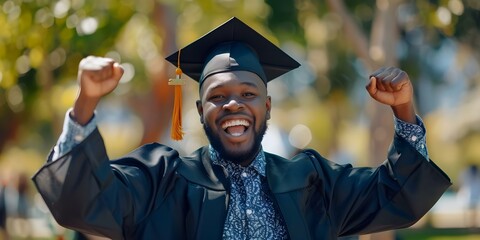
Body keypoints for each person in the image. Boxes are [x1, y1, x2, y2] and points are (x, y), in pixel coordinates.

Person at [33, 17, 451, 240]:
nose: (233, 103)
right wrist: (85, 105)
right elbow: (82, 202)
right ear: (199, 110)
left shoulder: (311, 182)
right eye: (217, 97)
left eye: (248, 94)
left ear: (267, 106)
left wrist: (404, 110)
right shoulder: (162, 180)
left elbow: (397, 197)